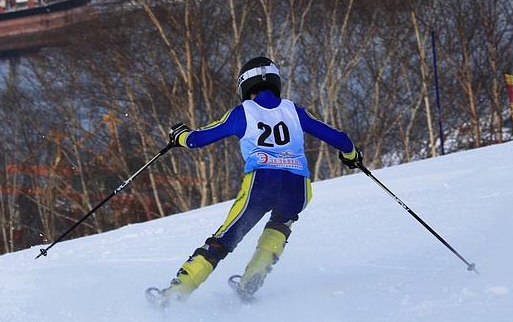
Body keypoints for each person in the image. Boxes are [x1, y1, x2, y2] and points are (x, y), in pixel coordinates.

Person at [146, 56, 363, 307]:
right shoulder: (294, 110)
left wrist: (179, 136)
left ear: (245, 87)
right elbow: (340, 138)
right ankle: (250, 283)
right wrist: (351, 157)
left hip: (262, 183)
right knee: (280, 226)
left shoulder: (242, 113)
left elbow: (198, 140)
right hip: (298, 187)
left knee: (224, 240)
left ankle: (175, 294)